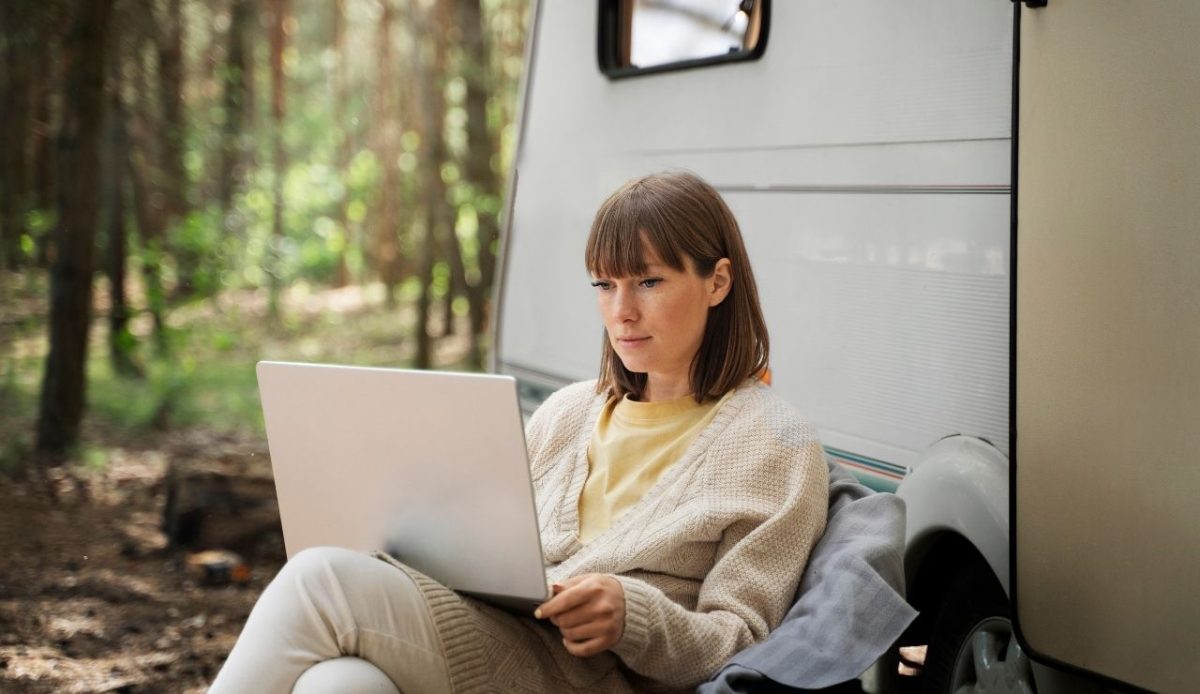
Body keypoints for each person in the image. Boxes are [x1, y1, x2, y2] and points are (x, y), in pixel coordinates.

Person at [208, 171, 829, 694]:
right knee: (341, 686)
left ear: (717, 282)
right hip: (499, 642)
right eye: (605, 285)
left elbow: (747, 642)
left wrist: (632, 616)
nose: (622, 312)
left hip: (590, 678)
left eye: (649, 281)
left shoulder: (775, 443)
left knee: (323, 581)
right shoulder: (566, 412)